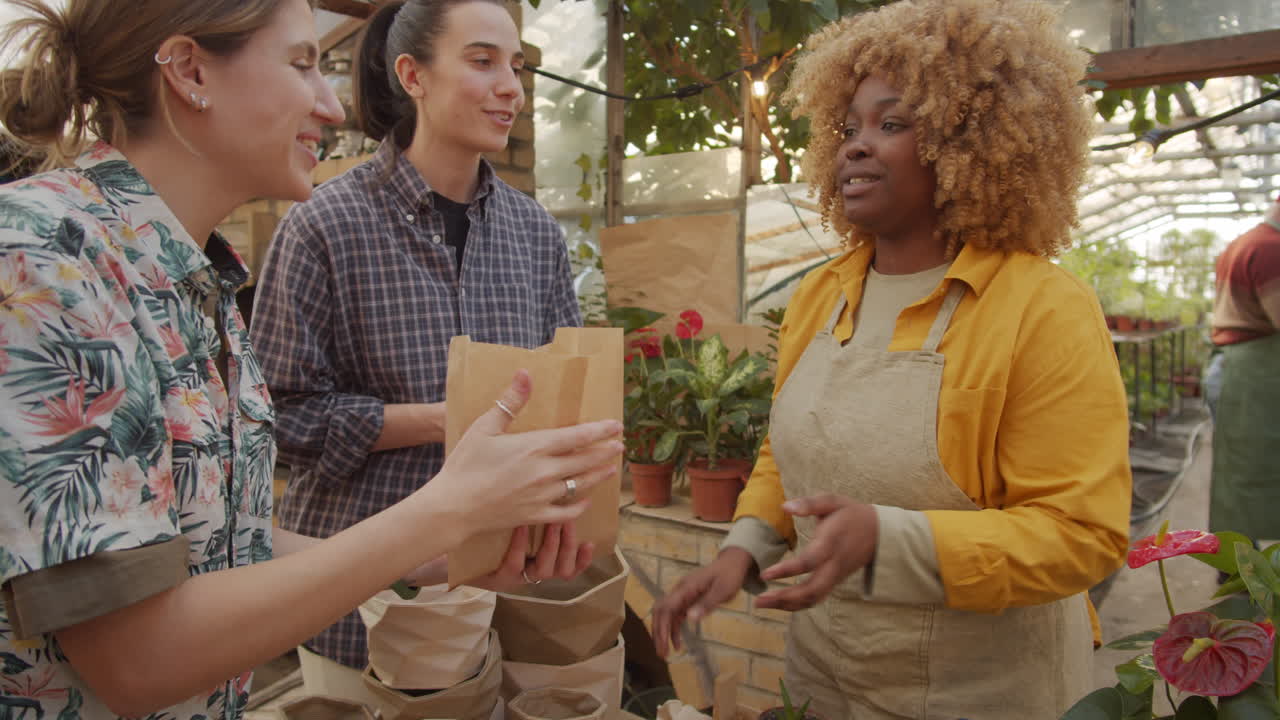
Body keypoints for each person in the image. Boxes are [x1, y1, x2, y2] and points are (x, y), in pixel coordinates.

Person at [0, 2, 622, 719]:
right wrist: (443, 514)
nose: (331, 104)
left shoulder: (194, 276)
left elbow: (217, 544)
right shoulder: (46, 256)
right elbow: (138, 658)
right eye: (302, 65)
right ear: (190, 71)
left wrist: (431, 551)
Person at [651, 1, 1133, 717]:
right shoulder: (823, 295)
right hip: (828, 676)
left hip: (983, 693)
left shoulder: (1041, 307)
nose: (856, 145)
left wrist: (890, 537)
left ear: (969, 141)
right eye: (848, 128)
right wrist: (744, 548)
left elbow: (1081, 534)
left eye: (892, 124)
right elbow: (791, 455)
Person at [247, 0, 586, 697]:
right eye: (483, 60)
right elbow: (279, 419)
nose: (511, 88)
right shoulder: (324, 226)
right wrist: (444, 417)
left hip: (496, 590)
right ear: (413, 75)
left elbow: (566, 398)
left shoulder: (536, 235)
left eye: (516, 68)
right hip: (354, 601)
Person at [1207, 195, 1280, 542]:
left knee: (1237, 468)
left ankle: (1237, 560)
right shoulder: (1271, 249)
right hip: (1255, 373)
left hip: (1235, 367)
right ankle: (1245, 568)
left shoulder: (1244, 242)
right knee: (1255, 468)